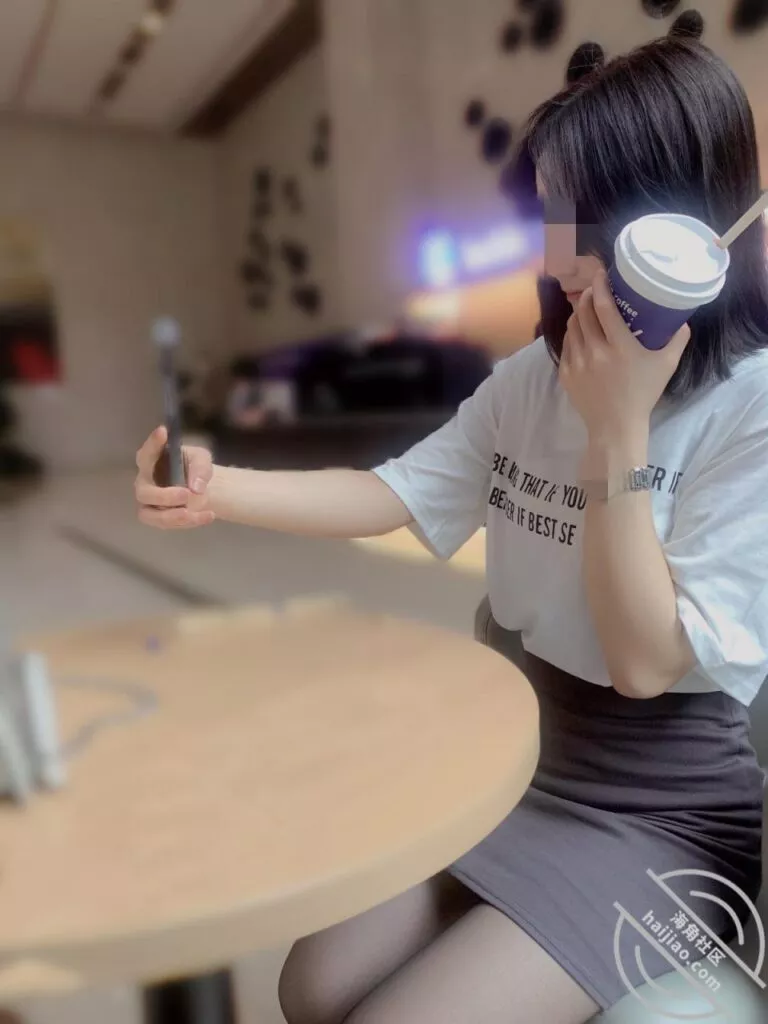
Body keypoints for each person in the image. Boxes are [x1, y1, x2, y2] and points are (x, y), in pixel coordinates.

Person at [134, 38, 768, 1023]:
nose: (553, 257)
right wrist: (222, 489)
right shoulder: (533, 377)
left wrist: (617, 430)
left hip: (662, 817)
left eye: (580, 219)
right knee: (313, 987)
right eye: (548, 215)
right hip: (518, 762)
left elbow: (645, 662)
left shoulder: (751, 408)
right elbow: (394, 491)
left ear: (678, 230)